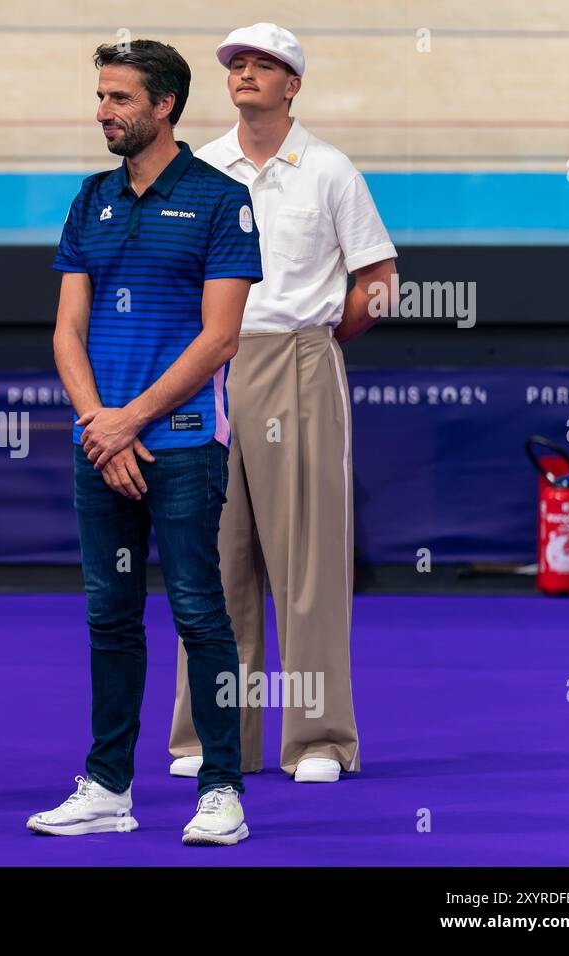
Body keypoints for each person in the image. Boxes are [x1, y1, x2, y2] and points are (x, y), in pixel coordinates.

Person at [26, 40, 262, 846]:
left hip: (187, 445)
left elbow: (220, 338)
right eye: (101, 96)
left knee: (201, 614)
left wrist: (132, 421)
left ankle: (223, 789)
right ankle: (106, 787)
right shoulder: (89, 199)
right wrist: (101, 424)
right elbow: (67, 329)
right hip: (104, 447)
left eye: (120, 98)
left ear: (165, 106)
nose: (104, 111)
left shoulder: (220, 200)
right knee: (109, 616)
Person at [167, 23, 398, 784]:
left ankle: (320, 739)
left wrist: (322, 335)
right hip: (212, 366)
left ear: (292, 84)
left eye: (264, 65)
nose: (246, 74)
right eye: (236, 63)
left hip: (298, 357)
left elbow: (379, 280)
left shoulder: (329, 169)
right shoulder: (199, 167)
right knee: (214, 559)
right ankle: (208, 736)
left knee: (308, 566)